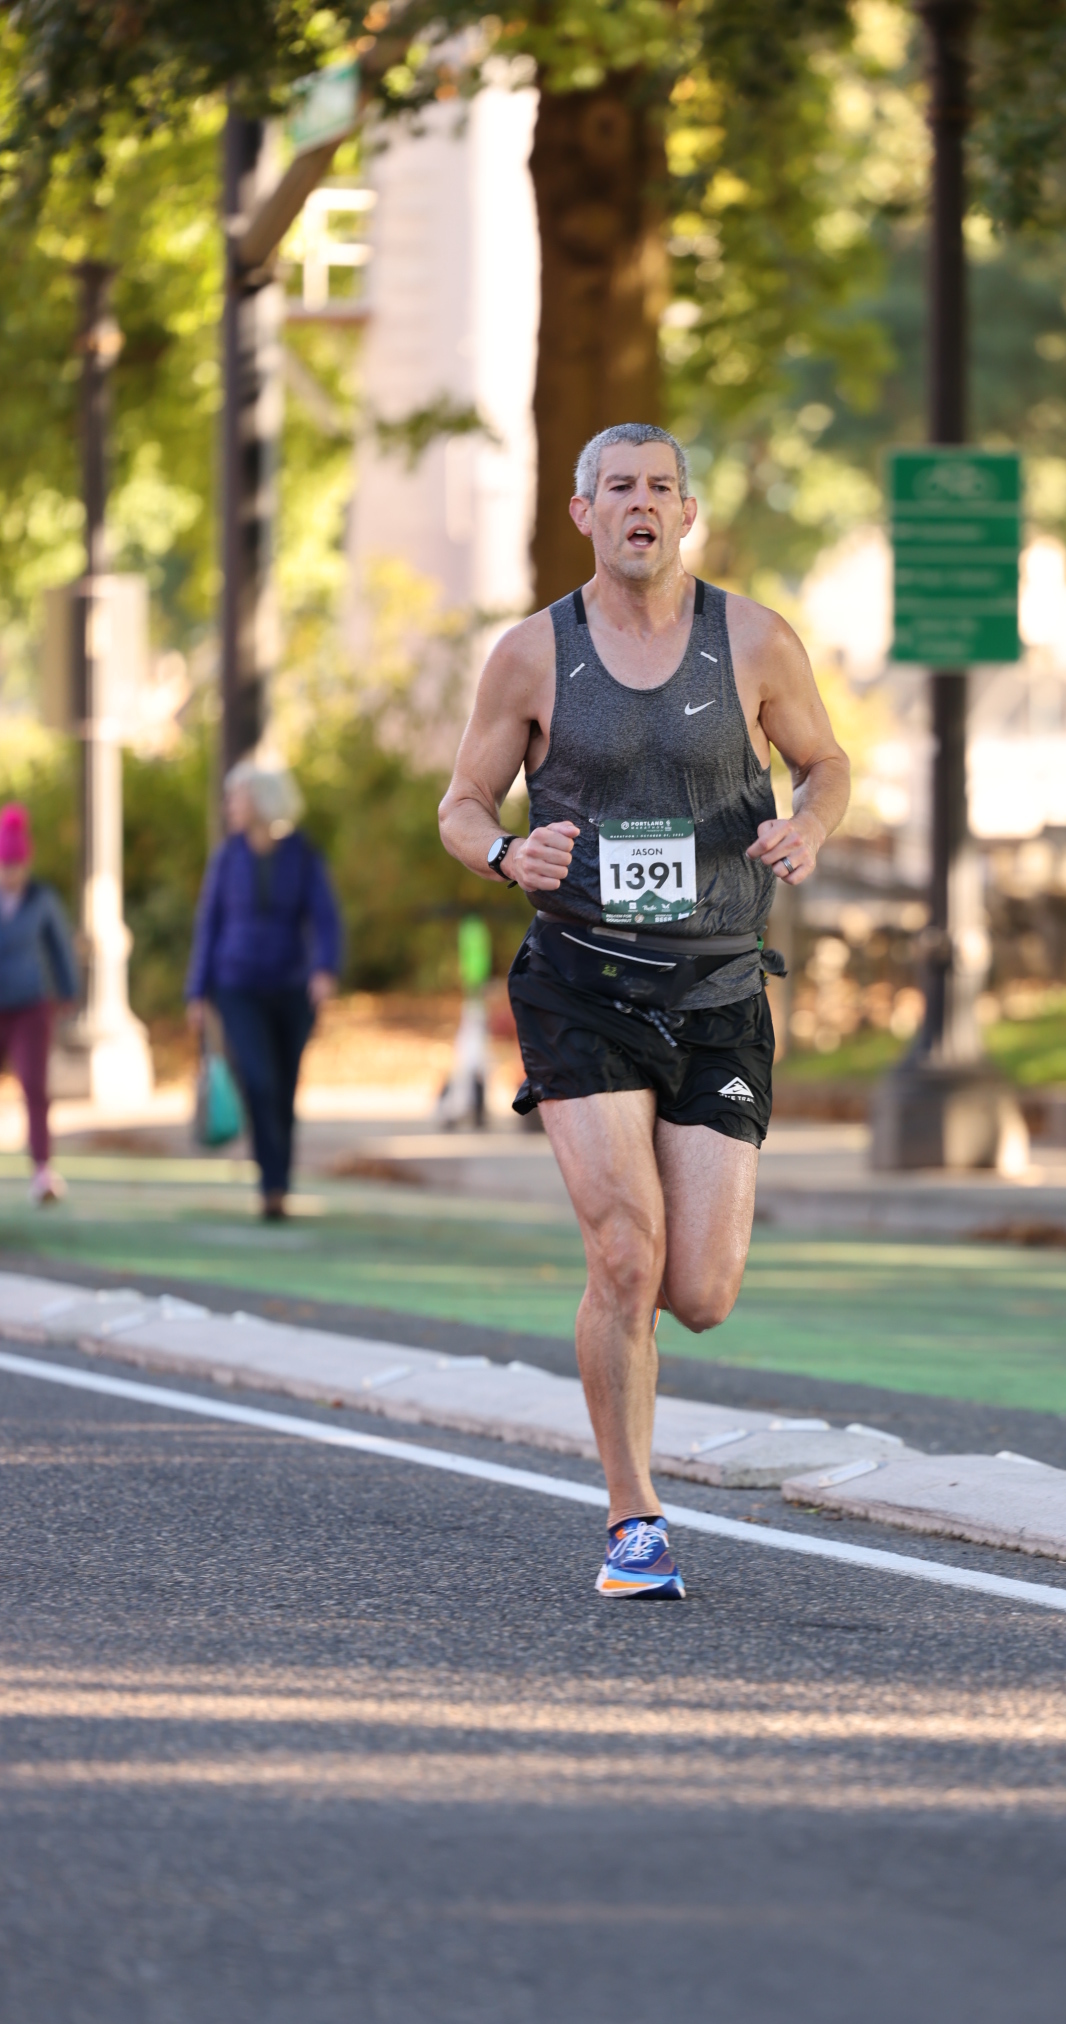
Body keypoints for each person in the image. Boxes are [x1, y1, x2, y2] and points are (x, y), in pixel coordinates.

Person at [438, 422, 849, 1599]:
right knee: (624, 1252)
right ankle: (634, 1522)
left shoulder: (754, 639)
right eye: (617, 487)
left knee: (700, 1290)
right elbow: (462, 804)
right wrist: (507, 854)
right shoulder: (532, 654)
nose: (640, 505)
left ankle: (634, 1328)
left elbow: (826, 763)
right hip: (583, 982)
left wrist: (809, 826)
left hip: (718, 986)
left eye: (660, 488)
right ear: (584, 512)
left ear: (686, 513)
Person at [186, 759, 341, 1221]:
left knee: (284, 1087)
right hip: (236, 987)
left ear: (260, 800)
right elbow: (209, 924)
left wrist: (324, 969)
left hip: (291, 989)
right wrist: (197, 992)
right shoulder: (226, 857)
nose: (229, 806)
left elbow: (325, 918)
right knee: (258, 1080)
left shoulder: (302, 854)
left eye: (236, 797)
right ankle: (269, 1184)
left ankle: (281, 1183)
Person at [0, 801, 77, 1205]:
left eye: (16, 866)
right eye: (5, 866)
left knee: (33, 1083)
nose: (11, 874)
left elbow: (59, 946)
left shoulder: (41, 898)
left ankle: (42, 1168)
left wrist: (68, 991)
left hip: (31, 1002)